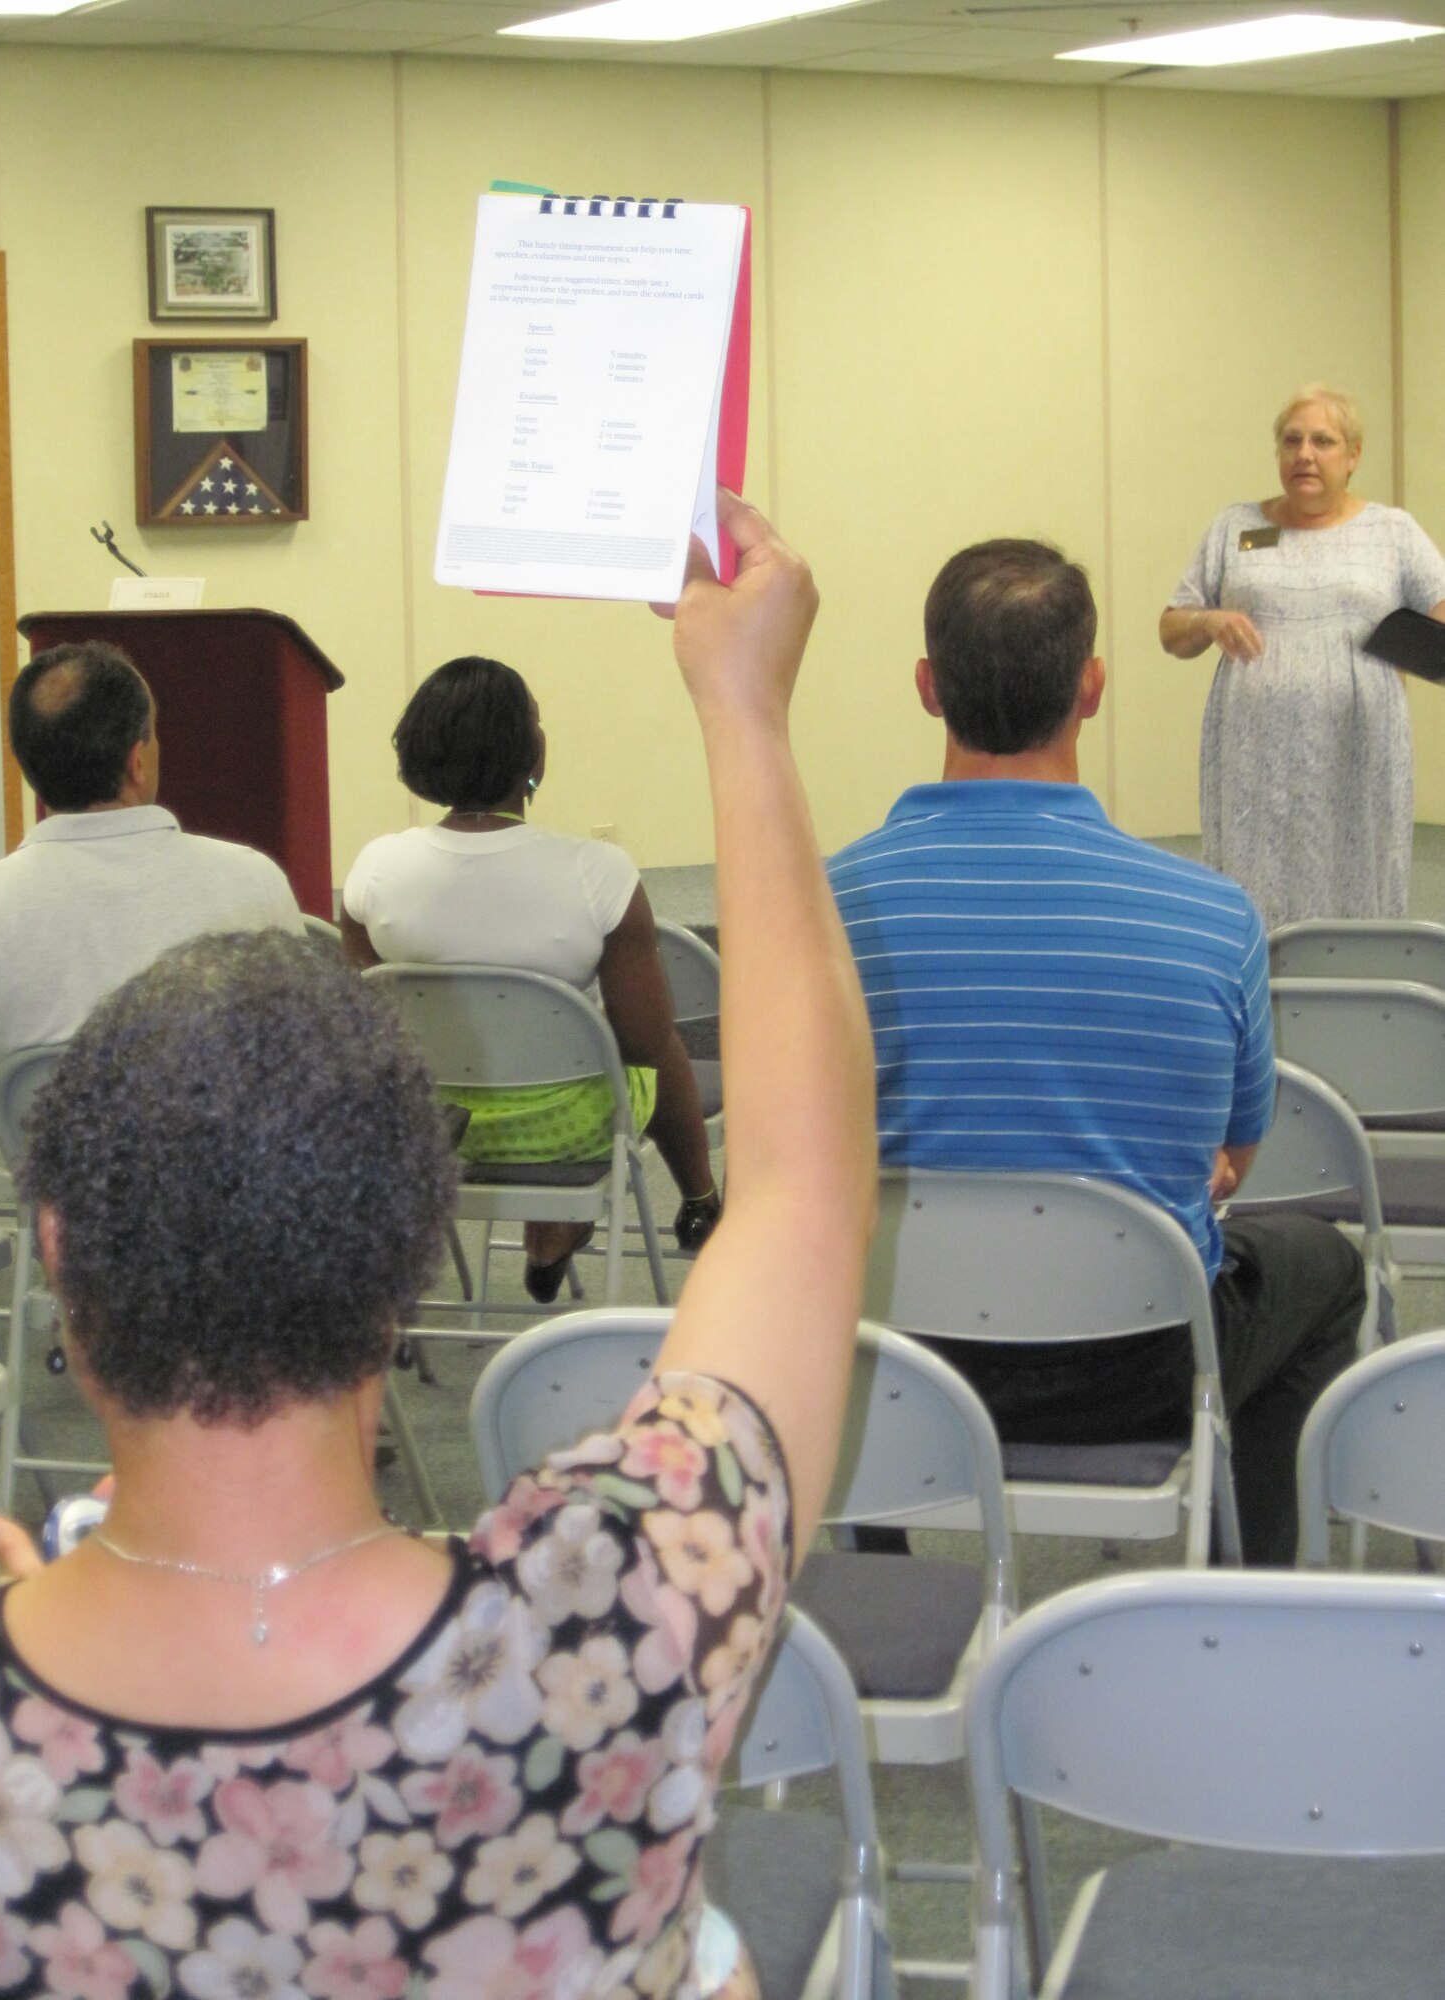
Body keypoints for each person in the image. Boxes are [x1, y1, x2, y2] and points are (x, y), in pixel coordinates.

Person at [0, 493, 877, 2000]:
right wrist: (743, 709)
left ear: (56, 1250)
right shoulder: (619, 1620)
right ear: (409, 1245)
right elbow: (802, 1187)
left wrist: (24, 1646)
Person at [830, 536, 1362, 1564]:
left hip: (894, 1354)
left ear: (928, 689)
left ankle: (882, 1591)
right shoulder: (1215, 917)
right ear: (1095, 687)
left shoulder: (820, 910)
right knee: (1323, 1265)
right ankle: (1243, 1586)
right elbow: (1230, 1160)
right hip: (1145, 1360)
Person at [341, 656, 720, 1299]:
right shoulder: (598, 872)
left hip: (432, 1126)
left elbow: (367, 1025)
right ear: (533, 753)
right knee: (651, 1050)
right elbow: (644, 1046)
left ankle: (543, 1230)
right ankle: (700, 1200)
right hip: (570, 1129)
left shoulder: (373, 870)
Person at [1160, 384, 1445, 928]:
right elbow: (1172, 628)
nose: (1305, 455)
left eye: (1323, 441)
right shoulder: (1240, 528)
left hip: (1359, 749)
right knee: (1255, 876)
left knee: (1358, 876)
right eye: (1291, 441)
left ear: (1353, 455)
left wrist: (1398, 651)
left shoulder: (1392, 532)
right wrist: (1208, 620)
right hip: (1253, 752)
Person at [0, 641, 304, 1060]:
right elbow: (298, 1049)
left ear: (27, 766)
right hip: (209, 1127)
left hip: (42, 1127)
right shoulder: (252, 882)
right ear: (137, 762)